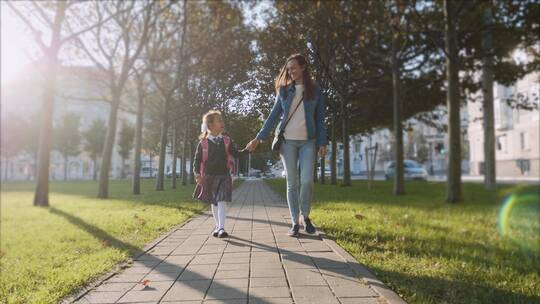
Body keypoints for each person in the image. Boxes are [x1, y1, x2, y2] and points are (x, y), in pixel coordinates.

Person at [246, 53, 327, 237]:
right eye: (288, 68)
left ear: (303, 67)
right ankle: (294, 221)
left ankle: (305, 217)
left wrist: (322, 141)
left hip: (309, 141)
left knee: (306, 181)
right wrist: (258, 138)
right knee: (292, 182)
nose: (290, 71)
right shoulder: (283, 90)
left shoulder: (316, 90)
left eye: (293, 68)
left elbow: (321, 120)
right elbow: (273, 116)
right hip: (287, 142)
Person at [193, 110, 248, 238]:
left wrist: (247, 150)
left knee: (222, 200)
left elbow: (235, 153)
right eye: (219, 120)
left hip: (224, 175)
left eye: (222, 120)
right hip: (209, 176)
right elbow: (197, 160)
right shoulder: (203, 143)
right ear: (210, 125)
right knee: (214, 202)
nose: (222, 122)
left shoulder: (226, 140)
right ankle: (217, 226)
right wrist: (197, 174)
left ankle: (222, 228)